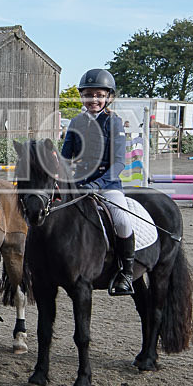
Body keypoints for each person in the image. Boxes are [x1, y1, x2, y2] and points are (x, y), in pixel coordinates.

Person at [61, 68, 135, 296]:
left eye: (99, 95)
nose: (94, 99)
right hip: (79, 184)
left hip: (107, 185)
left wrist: (97, 185)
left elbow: (119, 163)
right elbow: (65, 158)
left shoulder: (113, 122)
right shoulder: (75, 122)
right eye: (89, 94)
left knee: (122, 220)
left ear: (108, 97)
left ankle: (126, 271)